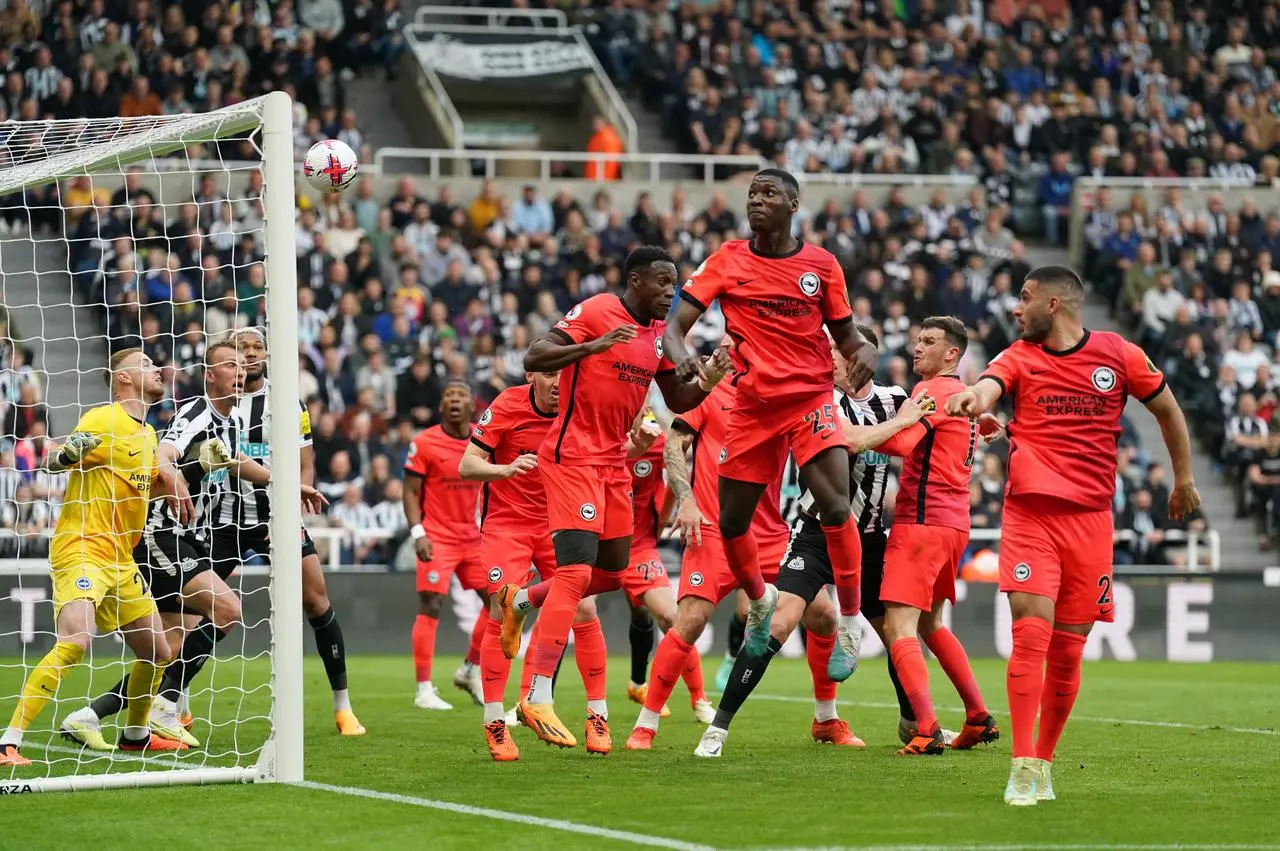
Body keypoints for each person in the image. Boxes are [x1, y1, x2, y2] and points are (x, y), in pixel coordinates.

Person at [945, 265, 1200, 805]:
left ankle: (1043, 763)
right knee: (1030, 631)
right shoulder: (1017, 356)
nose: (1016, 308)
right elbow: (991, 385)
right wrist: (976, 399)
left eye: (1025, 298)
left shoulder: (1120, 354)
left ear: (1053, 305)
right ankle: (1019, 765)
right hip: (1031, 514)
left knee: (1068, 652)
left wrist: (1184, 478)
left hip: (1091, 521)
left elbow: (1170, 410)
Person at [501, 245, 722, 752]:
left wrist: (711, 377)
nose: (672, 292)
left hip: (612, 463)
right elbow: (534, 356)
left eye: (676, 284)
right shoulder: (600, 310)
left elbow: (681, 399)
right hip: (571, 453)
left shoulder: (657, 339)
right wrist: (592, 346)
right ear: (636, 281)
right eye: (663, 282)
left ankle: (521, 599)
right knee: (577, 574)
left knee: (611, 572)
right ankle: (536, 695)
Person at [663, 168, 878, 678]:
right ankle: (759, 601)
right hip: (753, 406)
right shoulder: (728, 259)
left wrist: (868, 348)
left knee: (834, 503)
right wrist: (681, 358)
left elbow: (849, 338)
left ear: (794, 204)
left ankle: (850, 620)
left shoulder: (821, 266)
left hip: (809, 400)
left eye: (769, 193)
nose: (758, 201)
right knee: (733, 522)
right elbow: (673, 327)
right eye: (753, 193)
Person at [61, 342, 327, 749]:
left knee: (169, 648)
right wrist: (172, 479)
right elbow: (164, 452)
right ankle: (166, 707)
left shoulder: (232, 418)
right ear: (209, 373)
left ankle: (87, 716)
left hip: (183, 536)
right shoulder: (194, 413)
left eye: (243, 365)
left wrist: (289, 484)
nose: (240, 372)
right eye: (229, 364)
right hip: (157, 532)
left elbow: (236, 460)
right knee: (226, 609)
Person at [694, 328, 935, 757]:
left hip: (873, 539)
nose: (826, 361)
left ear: (858, 359)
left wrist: (978, 423)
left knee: (898, 632)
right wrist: (905, 423)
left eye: (833, 354)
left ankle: (915, 724)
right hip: (815, 535)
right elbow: (854, 440)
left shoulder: (894, 397)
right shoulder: (822, 400)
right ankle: (718, 728)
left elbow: (933, 428)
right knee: (779, 624)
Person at [1, 349, 188, 765]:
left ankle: (136, 735)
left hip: (121, 557)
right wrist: (66, 456)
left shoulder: (148, 434)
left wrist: (185, 479)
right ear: (123, 378)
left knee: (158, 651)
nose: (157, 369)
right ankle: (8, 740)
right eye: (145, 364)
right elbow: (53, 461)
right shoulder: (102, 419)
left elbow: (141, 490)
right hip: (82, 546)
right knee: (77, 640)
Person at [623, 368, 798, 751]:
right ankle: (646, 724)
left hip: (769, 534)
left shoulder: (787, 397)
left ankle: (827, 717)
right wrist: (685, 499)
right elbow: (674, 446)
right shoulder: (710, 393)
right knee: (689, 620)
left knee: (823, 614)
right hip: (713, 530)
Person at [213, 329, 363, 736]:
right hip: (223, 516)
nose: (250, 354)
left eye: (257, 347)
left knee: (316, 600)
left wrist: (295, 503)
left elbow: (303, 462)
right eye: (242, 349)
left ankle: (343, 706)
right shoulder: (219, 403)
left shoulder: (286, 401)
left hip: (274, 516)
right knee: (195, 607)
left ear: (266, 353)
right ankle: (179, 706)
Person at [459, 371, 609, 761]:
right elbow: (467, 465)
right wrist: (504, 470)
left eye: (564, 374)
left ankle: (598, 715)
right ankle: (494, 721)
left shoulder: (578, 408)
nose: (559, 383)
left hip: (557, 523)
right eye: (549, 375)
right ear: (531, 376)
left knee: (585, 605)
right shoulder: (509, 404)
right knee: (497, 607)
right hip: (507, 525)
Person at [881, 317, 999, 758]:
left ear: (953, 354)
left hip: (922, 521)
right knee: (930, 623)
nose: (917, 349)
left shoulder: (932, 392)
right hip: (953, 523)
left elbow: (898, 444)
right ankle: (978, 715)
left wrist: (846, 434)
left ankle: (927, 728)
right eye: (916, 341)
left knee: (899, 626)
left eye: (929, 342)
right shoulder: (963, 397)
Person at [621, 411, 713, 724]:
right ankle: (534, 699)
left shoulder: (658, 441)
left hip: (637, 548)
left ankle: (699, 699)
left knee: (671, 617)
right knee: (576, 612)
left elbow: (675, 479)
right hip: (593, 545)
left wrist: (660, 520)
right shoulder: (595, 436)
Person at [403, 380, 485, 711]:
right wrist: (418, 532)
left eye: (460, 395)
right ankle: (424, 689)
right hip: (437, 535)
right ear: (440, 406)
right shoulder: (424, 442)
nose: (454, 400)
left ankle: (470, 667)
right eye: (448, 395)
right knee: (431, 604)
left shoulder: (484, 438)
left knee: (500, 603)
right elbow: (410, 491)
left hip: (474, 535)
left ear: (471, 405)